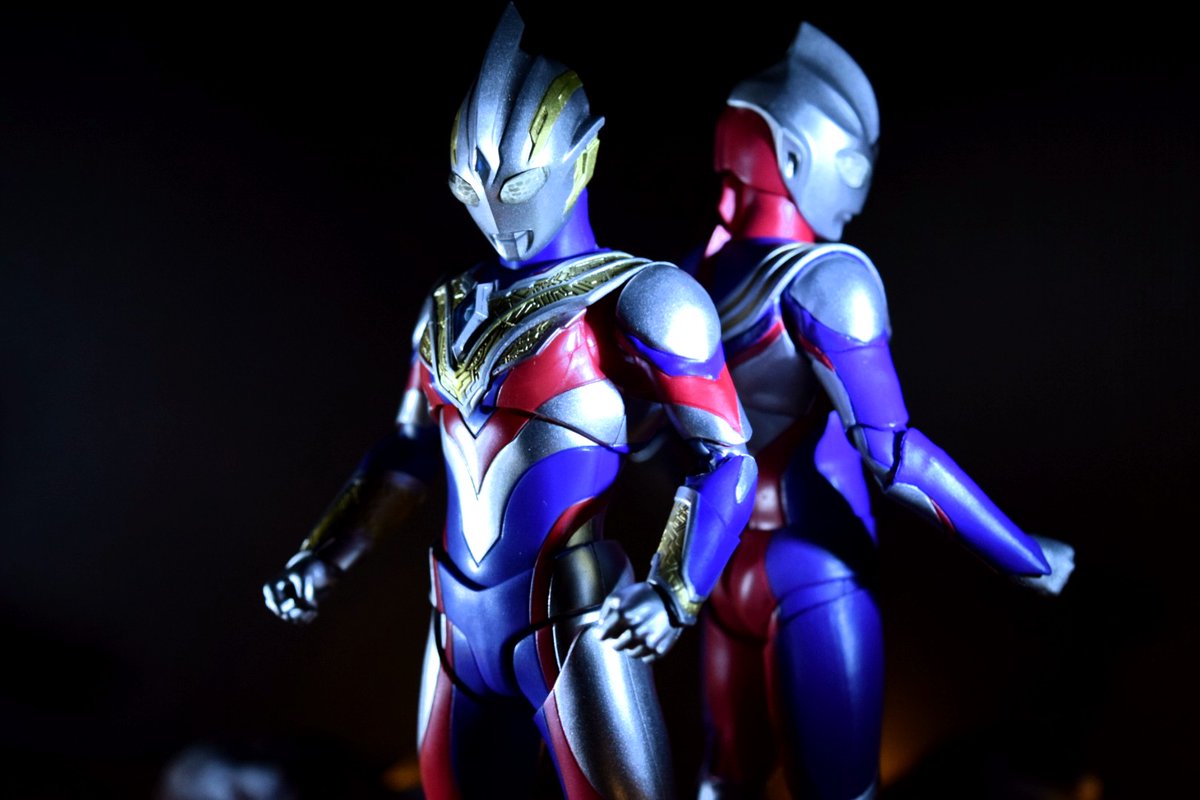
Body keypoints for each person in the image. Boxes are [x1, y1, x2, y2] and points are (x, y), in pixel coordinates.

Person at [263, 6, 757, 798]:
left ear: (582, 156)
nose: (496, 213)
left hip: (575, 620)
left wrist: (673, 590)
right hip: (454, 627)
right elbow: (409, 450)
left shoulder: (642, 297)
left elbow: (725, 455)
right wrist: (326, 554)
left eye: (517, 183)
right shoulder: (446, 308)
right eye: (469, 187)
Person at [688, 23, 1074, 800]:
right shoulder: (827, 279)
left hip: (719, 571)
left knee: (721, 786)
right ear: (797, 156)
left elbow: (650, 440)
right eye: (854, 165)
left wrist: (670, 577)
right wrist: (1024, 554)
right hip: (813, 566)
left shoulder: (692, 281)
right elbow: (895, 457)